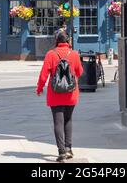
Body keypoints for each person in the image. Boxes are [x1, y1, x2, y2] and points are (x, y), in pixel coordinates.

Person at [36, 30, 83, 162]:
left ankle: (61, 152)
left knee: (58, 122)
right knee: (68, 120)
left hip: (55, 93)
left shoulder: (51, 54)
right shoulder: (74, 54)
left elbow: (43, 75)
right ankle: (68, 149)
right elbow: (80, 72)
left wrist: (39, 88)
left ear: (56, 40)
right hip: (71, 93)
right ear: (67, 41)